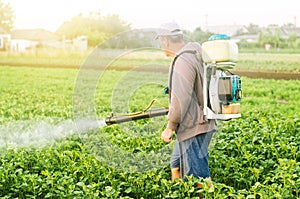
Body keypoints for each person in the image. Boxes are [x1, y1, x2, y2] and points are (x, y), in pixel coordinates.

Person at [156, 22, 217, 182]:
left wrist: (170, 127)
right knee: (176, 164)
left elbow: (181, 98)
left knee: (199, 179)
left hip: (194, 126)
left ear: (165, 40)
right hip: (200, 123)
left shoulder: (183, 60)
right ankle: (178, 192)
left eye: (160, 42)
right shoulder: (193, 54)